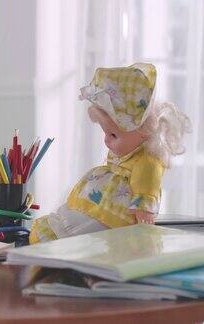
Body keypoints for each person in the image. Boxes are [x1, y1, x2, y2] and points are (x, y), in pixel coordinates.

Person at [29, 63, 191, 244]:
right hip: (100, 207)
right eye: (105, 133)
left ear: (143, 130)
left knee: (88, 231)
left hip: (112, 214)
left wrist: (144, 218)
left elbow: (146, 190)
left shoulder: (148, 161)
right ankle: (58, 233)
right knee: (79, 223)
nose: (106, 140)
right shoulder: (129, 151)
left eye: (113, 135)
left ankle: (61, 238)